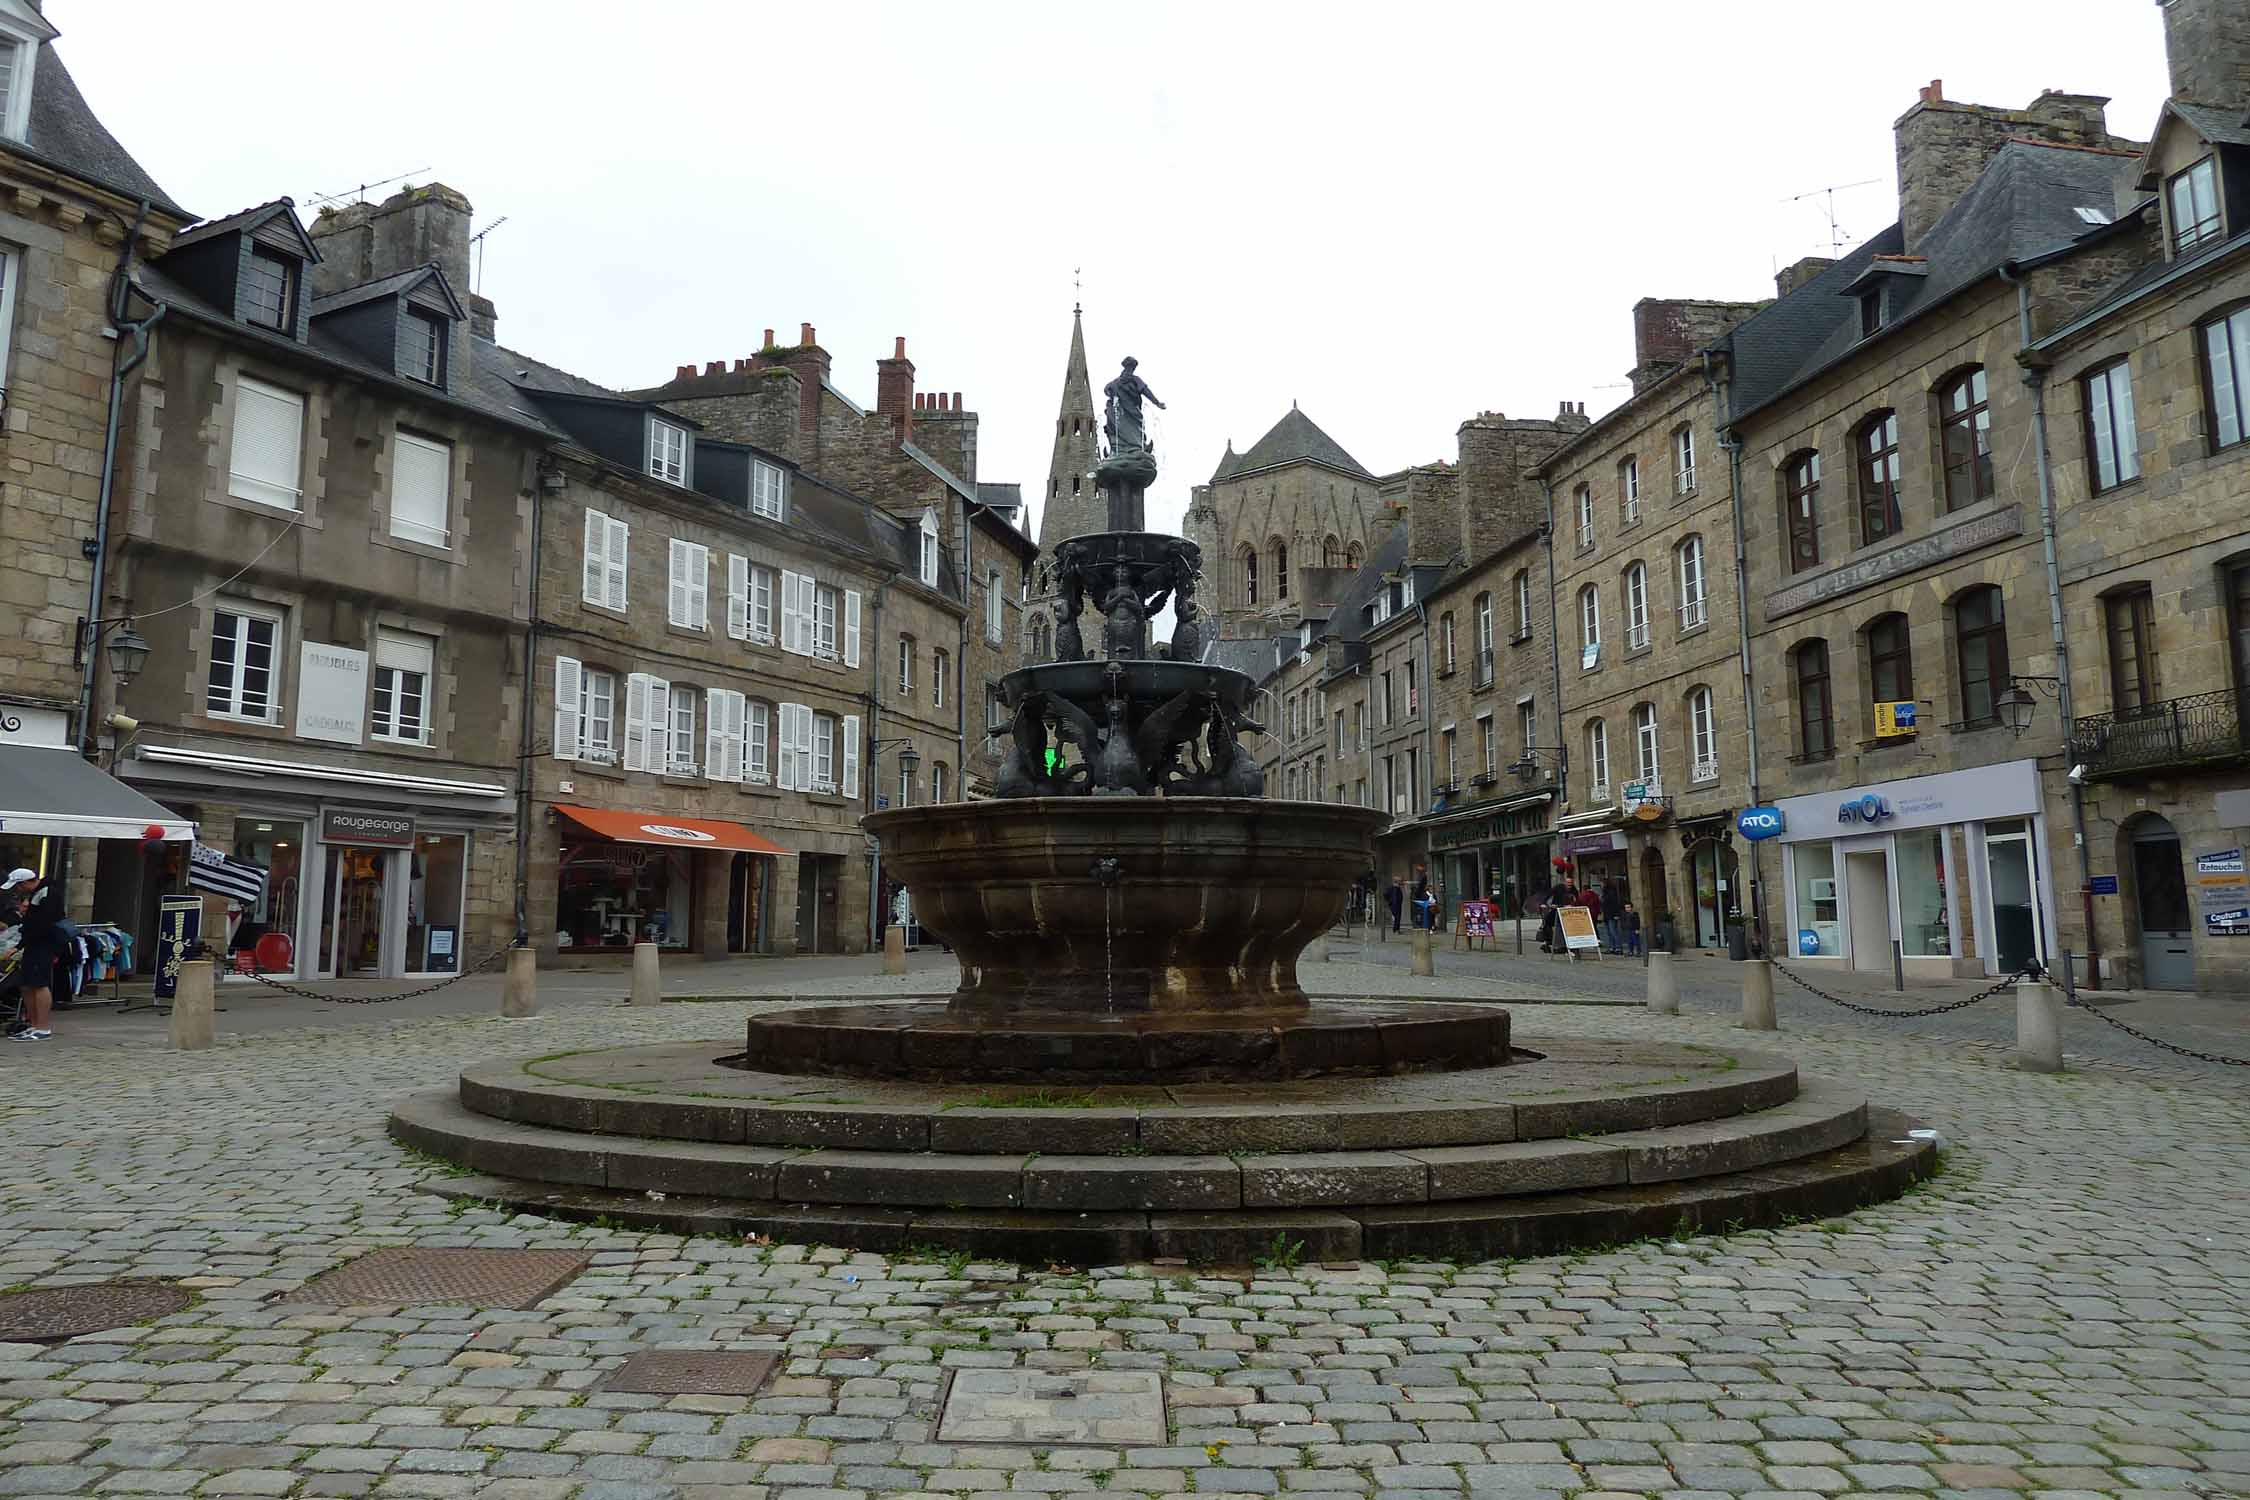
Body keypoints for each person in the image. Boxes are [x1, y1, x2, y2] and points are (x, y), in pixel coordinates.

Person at [3, 868, 62, 1042]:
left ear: (25, 882)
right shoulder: (38, 893)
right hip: (34, 943)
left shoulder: (47, 893)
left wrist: (20, 944)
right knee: (27, 984)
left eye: (18, 886)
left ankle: (42, 1027)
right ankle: (34, 1024)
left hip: (42, 944)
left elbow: (42, 924)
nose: (17, 891)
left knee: (39, 984)